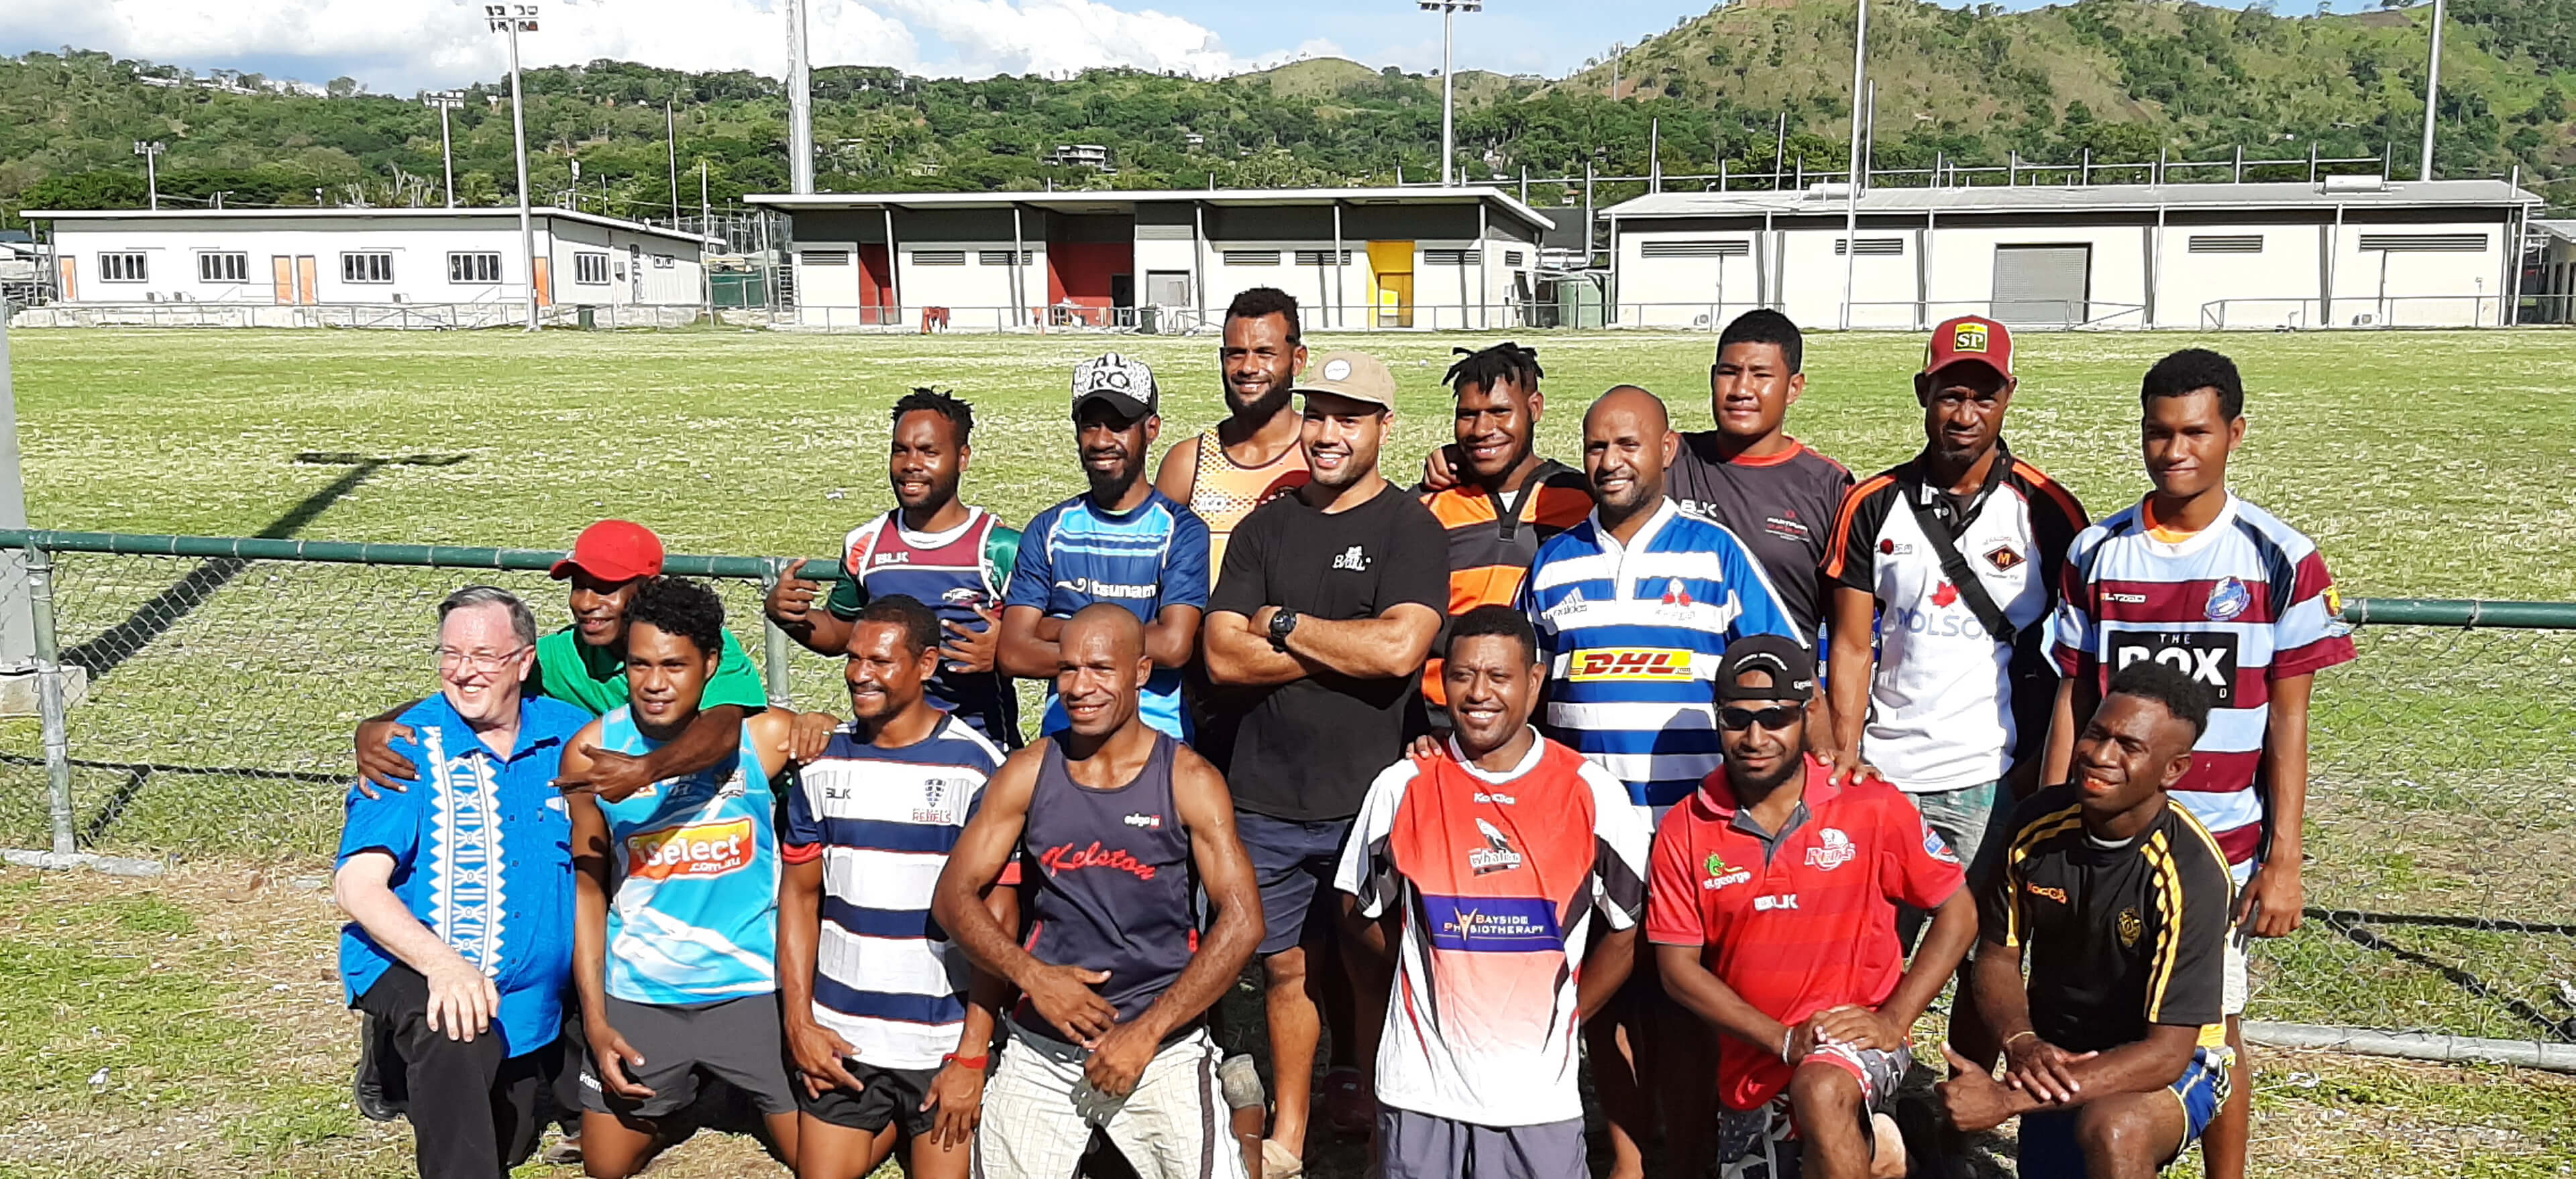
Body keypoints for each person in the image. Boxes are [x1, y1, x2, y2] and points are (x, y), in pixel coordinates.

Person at [2042, 348, 2355, 1179]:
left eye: (2195, 432)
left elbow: (2290, 723)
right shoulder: (2097, 552)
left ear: (2234, 434)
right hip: (2107, 844)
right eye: (2158, 432)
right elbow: (2074, 700)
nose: (2175, 450)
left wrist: (2284, 859)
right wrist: (2045, 823)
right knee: (2102, 1013)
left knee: (2216, 1028)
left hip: (2221, 848)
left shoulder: (2280, 555)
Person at [1516, 384, 1803, 1179]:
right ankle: (1629, 1155)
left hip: (1692, 831)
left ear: (1667, 450)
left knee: (1681, 1013)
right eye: (1597, 447)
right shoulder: (1553, 562)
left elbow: (1781, 669)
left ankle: (1697, 1156)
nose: (1610, 463)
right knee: (1601, 1008)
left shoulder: (1714, 554)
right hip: (1584, 836)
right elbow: (1522, 690)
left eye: (1628, 445)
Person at [1203, 350, 1449, 1176]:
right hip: (1267, 794)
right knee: (1284, 970)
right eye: (1318, 415)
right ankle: (1291, 1135)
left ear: (1384, 427)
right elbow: (1221, 660)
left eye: (1349, 418)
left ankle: (1389, 1135)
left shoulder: (1410, 528)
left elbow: (1400, 649)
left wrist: (1278, 623)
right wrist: (1337, 643)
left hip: (1369, 797)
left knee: (1376, 967)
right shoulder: (1267, 526)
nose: (1327, 433)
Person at [1820, 315, 2088, 1072]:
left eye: (1983, 396)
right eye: (1949, 394)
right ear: (1922, 394)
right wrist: (1847, 759)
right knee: (1867, 956)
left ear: (2008, 399)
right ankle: (1866, 1102)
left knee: (1984, 959)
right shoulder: (1873, 504)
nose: (1964, 414)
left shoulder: (2048, 510)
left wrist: (2041, 774)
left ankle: (1958, 1116)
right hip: (1886, 776)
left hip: (1991, 779)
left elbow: (2076, 658)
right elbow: (1850, 644)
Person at [930, 604, 1266, 1179]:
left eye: (1100, 669)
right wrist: (1035, 978)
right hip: (1044, 1044)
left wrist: (1149, 1032)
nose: (1079, 688)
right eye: (1067, 670)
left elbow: (1243, 923)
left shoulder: (1188, 779)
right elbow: (953, 895)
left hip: (1161, 1046)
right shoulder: (1030, 769)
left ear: (1140, 671)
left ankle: (1247, 1120)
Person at [1334, 605, 1649, 1179]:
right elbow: (1357, 911)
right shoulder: (1402, 785)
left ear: (1533, 683)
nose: (1479, 693)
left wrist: (1569, 1013)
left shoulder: (1592, 793)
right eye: (1462, 676)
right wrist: (1421, 964)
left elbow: (1627, 933)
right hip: (1421, 1093)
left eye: (1499, 677)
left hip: (1538, 1101)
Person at [1648, 635, 1976, 1179]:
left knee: (1822, 1090)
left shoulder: (1868, 803)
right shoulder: (1686, 824)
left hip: (1852, 1044)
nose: (1755, 737)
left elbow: (1958, 912)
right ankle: (1891, 1152)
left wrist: (1894, 1020)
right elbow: (1677, 970)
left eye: (1776, 717)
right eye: (1736, 719)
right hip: (1756, 1059)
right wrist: (1780, 1040)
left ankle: (1873, 1135)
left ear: (1808, 714)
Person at [333, 586, 592, 1179]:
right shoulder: (405, 747)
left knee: (511, 1140)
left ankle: (395, 1068)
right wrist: (443, 965)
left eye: (483, 656)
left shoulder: (573, 736)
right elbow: (357, 884)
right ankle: (405, 1039)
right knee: (452, 1032)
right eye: (450, 655)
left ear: (524, 663)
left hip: (528, 998)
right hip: (428, 968)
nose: (463, 672)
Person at [1942, 660, 2236, 1179]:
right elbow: (1997, 957)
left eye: (2130, 746)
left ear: (2174, 770)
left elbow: (2167, 1053)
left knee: (2114, 1129)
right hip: (2058, 1051)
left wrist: (2009, 1100)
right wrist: (2021, 1042)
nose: (2100, 756)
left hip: (2167, 1063)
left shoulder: (2192, 873)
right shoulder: (2037, 823)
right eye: (2096, 734)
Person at [562, 576, 806, 1178]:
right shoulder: (591, 751)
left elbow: (828, 737)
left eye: (674, 665)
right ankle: (690, 1088)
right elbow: (589, 894)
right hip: (645, 992)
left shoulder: (763, 739)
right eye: (640, 664)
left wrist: (818, 726)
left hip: (751, 989)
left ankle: (734, 1079)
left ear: (711, 664)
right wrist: (595, 1020)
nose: (654, 683)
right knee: (604, 1166)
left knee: (821, 1161)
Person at [1421, 311, 1850, 643]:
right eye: (1727, 373)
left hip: (1772, 704)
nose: (1740, 389)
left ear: (1794, 387)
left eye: (1761, 376)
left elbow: (1850, 634)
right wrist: (1466, 453)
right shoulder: (1669, 458)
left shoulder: (1828, 486)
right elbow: (1618, 437)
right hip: (1649, 683)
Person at [779, 595, 1012, 1179]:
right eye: (854, 659)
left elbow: (999, 923)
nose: (860, 673)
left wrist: (971, 1054)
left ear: (927, 664)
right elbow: (800, 899)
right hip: (842, 1036)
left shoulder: (978, 770)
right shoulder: (819, 764)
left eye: (880, 661)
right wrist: (800, 1022)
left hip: (940, 1043)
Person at [356, 518, 773, 798]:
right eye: (579, 586)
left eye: (606, 587)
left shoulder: (695, 644)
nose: (586, 602)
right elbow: (479, 685)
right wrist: (376, 728)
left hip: (729, 807)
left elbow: (722, 731)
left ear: (648, 587)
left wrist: (644, 771)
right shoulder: (562, 654)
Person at [766, 388, 1023, 749]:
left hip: (981, 749)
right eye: (900, 450)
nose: (911, 464)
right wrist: (788, 615)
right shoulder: (865, 543)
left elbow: (1047, 642)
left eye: (929, 452)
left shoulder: (1000, 549)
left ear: (963, 458)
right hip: (884, 746)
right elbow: (841, 634)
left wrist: (1007, 653)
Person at [1001, 353, 1212, 742]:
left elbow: (1175, 645)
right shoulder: (1048, 529)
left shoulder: (1182, 531)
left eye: (1119, 426)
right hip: (1064, 740)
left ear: (1151, 430)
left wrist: (1056, 630)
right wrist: (1133, 644)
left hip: (1157, 743)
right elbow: (1014, 651)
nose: (1101, 441)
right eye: (1090, 425)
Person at [1415, 342, 1592, 730]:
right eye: (1468, 415)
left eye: (1499, 412)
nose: (1482, 430)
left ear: (1535, 408)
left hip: (1549, 726)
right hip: (1443, 726)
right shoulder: (1428, 507)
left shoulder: (1584, 500)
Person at [1154, 286, 1312, 572]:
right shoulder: (1189, 462)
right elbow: (1151, 566)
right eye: (1236, 354)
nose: (1248, 368)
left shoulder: (1323, 453)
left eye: (1265, 353)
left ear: (1297, 360)